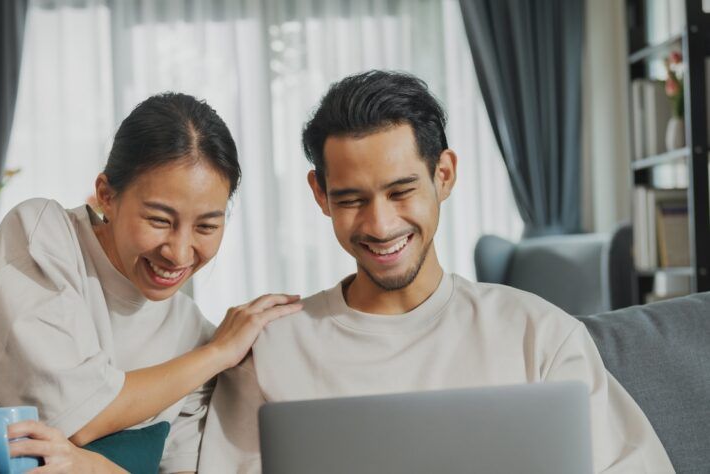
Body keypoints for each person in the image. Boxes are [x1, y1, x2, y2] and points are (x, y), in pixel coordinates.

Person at [198, 70, 674, 473]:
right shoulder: (271, 349)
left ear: (443, 174)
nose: (380, 225)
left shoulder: (539, 334)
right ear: (320, 195)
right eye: (351, 199)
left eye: (400, 191)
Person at [0, 93, 301, 473]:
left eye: (206, 227)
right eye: (159, 220)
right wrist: (218, 353)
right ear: (107, 194)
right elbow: (74, 413)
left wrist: (97, 467)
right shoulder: (41, 235)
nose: (179, 253)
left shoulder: (191, 332)